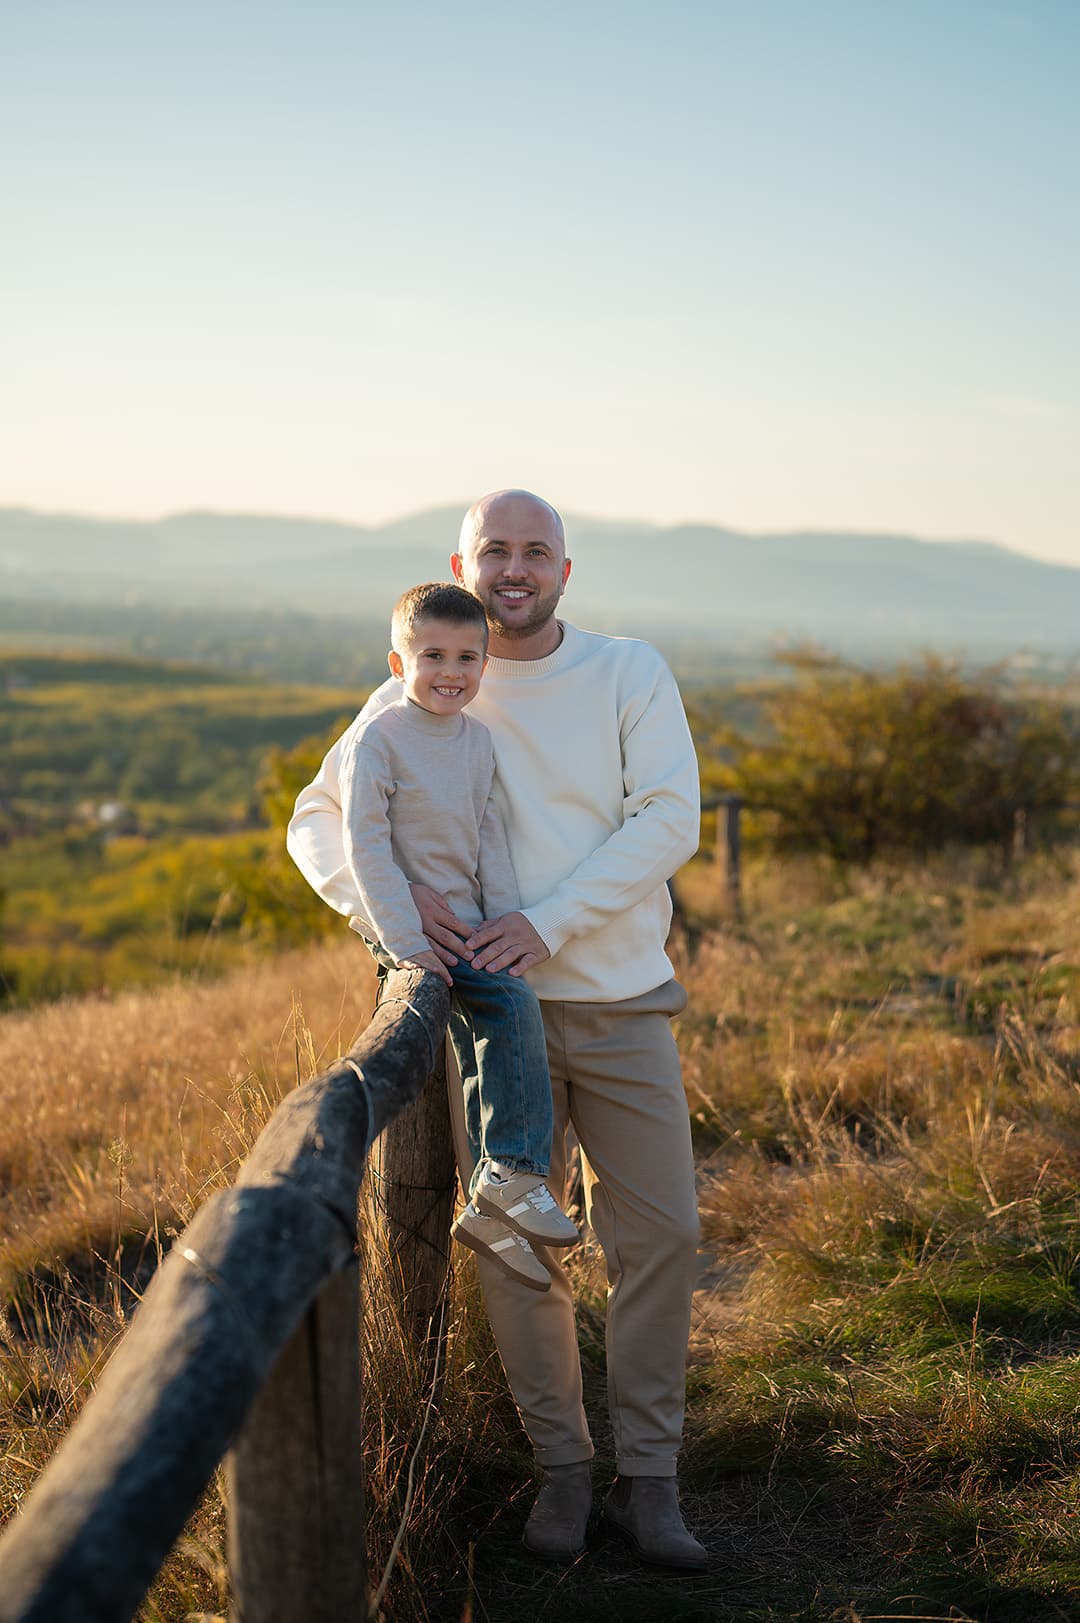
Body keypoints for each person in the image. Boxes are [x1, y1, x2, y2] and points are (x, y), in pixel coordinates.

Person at [288, 490, 706, 1570]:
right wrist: (395, 918)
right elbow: (318, 819)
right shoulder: (428, 675)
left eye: (534, 551)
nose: (513, 567)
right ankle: (562, 1475)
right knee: (517, 1246)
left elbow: (669, 817)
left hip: (618, 1003)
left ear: (567, 568)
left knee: (661, 1239)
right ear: (462, 565)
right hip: (486, 1022)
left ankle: (652, 1482)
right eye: (493, 551)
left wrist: (545, 922)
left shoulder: (627, 671)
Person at [338, 579, 579, 1288]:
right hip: (409, 929)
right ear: (397, 664)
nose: (451, 672)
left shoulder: (476, 741)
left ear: (484, 663)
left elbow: (487, 836)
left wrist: (501, 920)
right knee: (509, 1009)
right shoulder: (377, 740)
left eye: (468, 657)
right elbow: (366, 849)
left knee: (497, 1021)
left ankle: (490, 1191)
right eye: (433, 655)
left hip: (467, 923)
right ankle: (510, 1172)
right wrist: (407, 942)